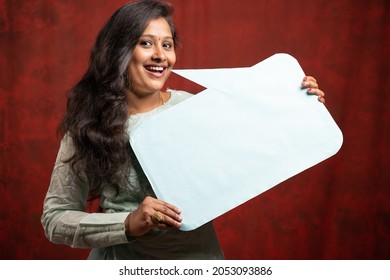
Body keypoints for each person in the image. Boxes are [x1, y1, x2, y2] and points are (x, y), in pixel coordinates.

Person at [41, 0, 325, 260]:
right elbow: (55, 219)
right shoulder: (88, 127)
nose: (160, 56)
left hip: (198, 261)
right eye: (146, 43)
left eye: (167, 45)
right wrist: (127, 223)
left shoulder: (195, 110)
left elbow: (263, 138)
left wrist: (298, 100)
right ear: (119, 51)